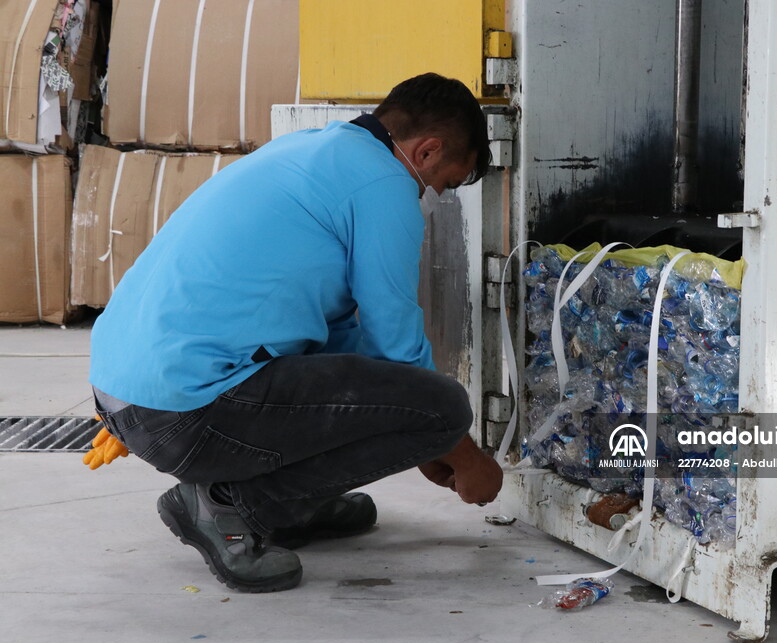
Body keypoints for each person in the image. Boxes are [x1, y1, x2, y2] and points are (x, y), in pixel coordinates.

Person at [88, 73, 504, 593]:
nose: (432, 196)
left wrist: (422, 438)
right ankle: (230, 504)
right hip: (183, 409)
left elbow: (343, 343)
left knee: (390, 385)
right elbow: (395, 346)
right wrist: (461, 452)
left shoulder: (312, 151)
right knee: (442, 405)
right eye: (441, 184)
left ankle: (290, 505)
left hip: (128, 394)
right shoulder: (385, 185)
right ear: (426, 152)